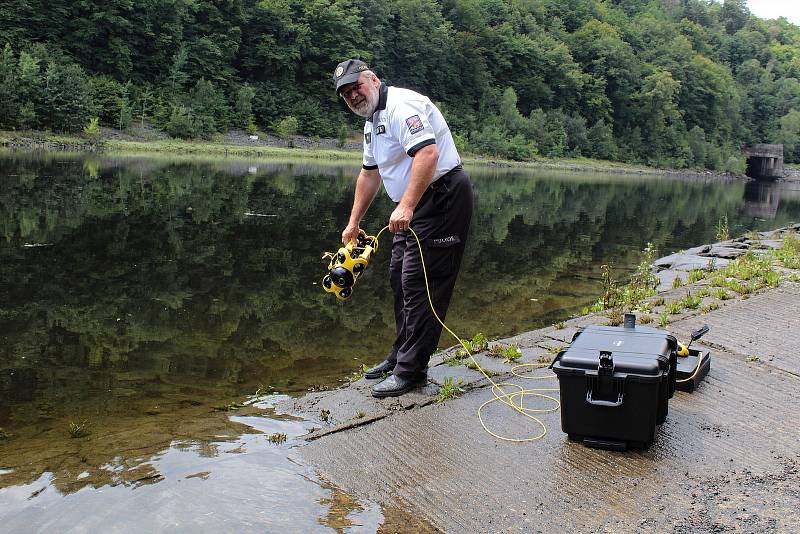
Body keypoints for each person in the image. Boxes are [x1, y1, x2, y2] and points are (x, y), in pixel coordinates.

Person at [333, 59, 474, 398]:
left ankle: (412, 371)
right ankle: (400, 357)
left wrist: (407, 204)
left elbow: (428, 153)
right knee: (399, 277)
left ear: (374, 80)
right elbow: (369, 174)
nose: (353, 95)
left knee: (421, 283)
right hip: (415, 206)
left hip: (441, 199)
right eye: (346, 93)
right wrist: (354, 222)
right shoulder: (372, 121)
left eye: (357, 87)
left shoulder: (401, 106)